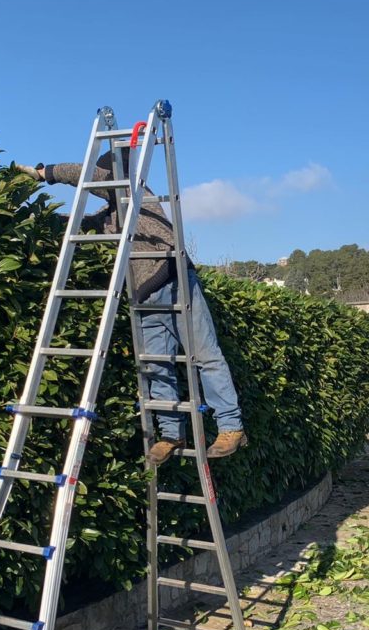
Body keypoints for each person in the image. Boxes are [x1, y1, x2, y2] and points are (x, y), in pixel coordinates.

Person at [15, 153, 247, 463]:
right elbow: (83, 225)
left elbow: (85, 175)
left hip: (173, 280)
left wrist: (45, 173)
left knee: (206, 356)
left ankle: (231, 427)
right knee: (156, 365)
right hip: (144, 297)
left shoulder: (137, 194)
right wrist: (33, 217)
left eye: (103, 173)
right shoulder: (113, 213)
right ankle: (171, 434)